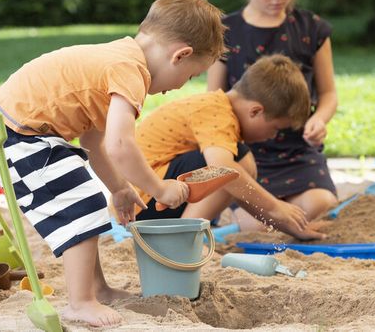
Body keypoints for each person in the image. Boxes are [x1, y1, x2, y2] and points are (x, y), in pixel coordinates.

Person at [0, 0, 225, 327]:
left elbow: (94, 140)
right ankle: (80, 302)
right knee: (82, 204)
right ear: (180, 55)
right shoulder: (131, 70)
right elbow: (120, 144)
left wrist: (121, 188)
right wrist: (158, 188)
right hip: (17, 136)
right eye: (191, 76)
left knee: (86, 199)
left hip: (17, 130)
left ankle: (96, 289)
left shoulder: (121, 56)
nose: (180, 87)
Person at [134, 54, 325, 240]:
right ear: (256, 111)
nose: (272, 137)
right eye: (275, 129)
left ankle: (185, 234)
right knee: (234, 165)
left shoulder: (219, 111)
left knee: (238, 168)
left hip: (158, 199)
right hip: (149, 202)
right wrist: (276, 207)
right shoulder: (216, 111)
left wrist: (286, 224)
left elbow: (241, 192)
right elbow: (223, 171)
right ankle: (185, 239)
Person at [207, 0, 338, 236]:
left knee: (322, 204)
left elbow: (329, 93)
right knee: (256, 225)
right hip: (247, 152)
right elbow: (215, 100)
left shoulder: (312, 28)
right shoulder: (225, 31)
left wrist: (318, 119)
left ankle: (280, 215)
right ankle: (268, 213)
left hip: (298, 150)